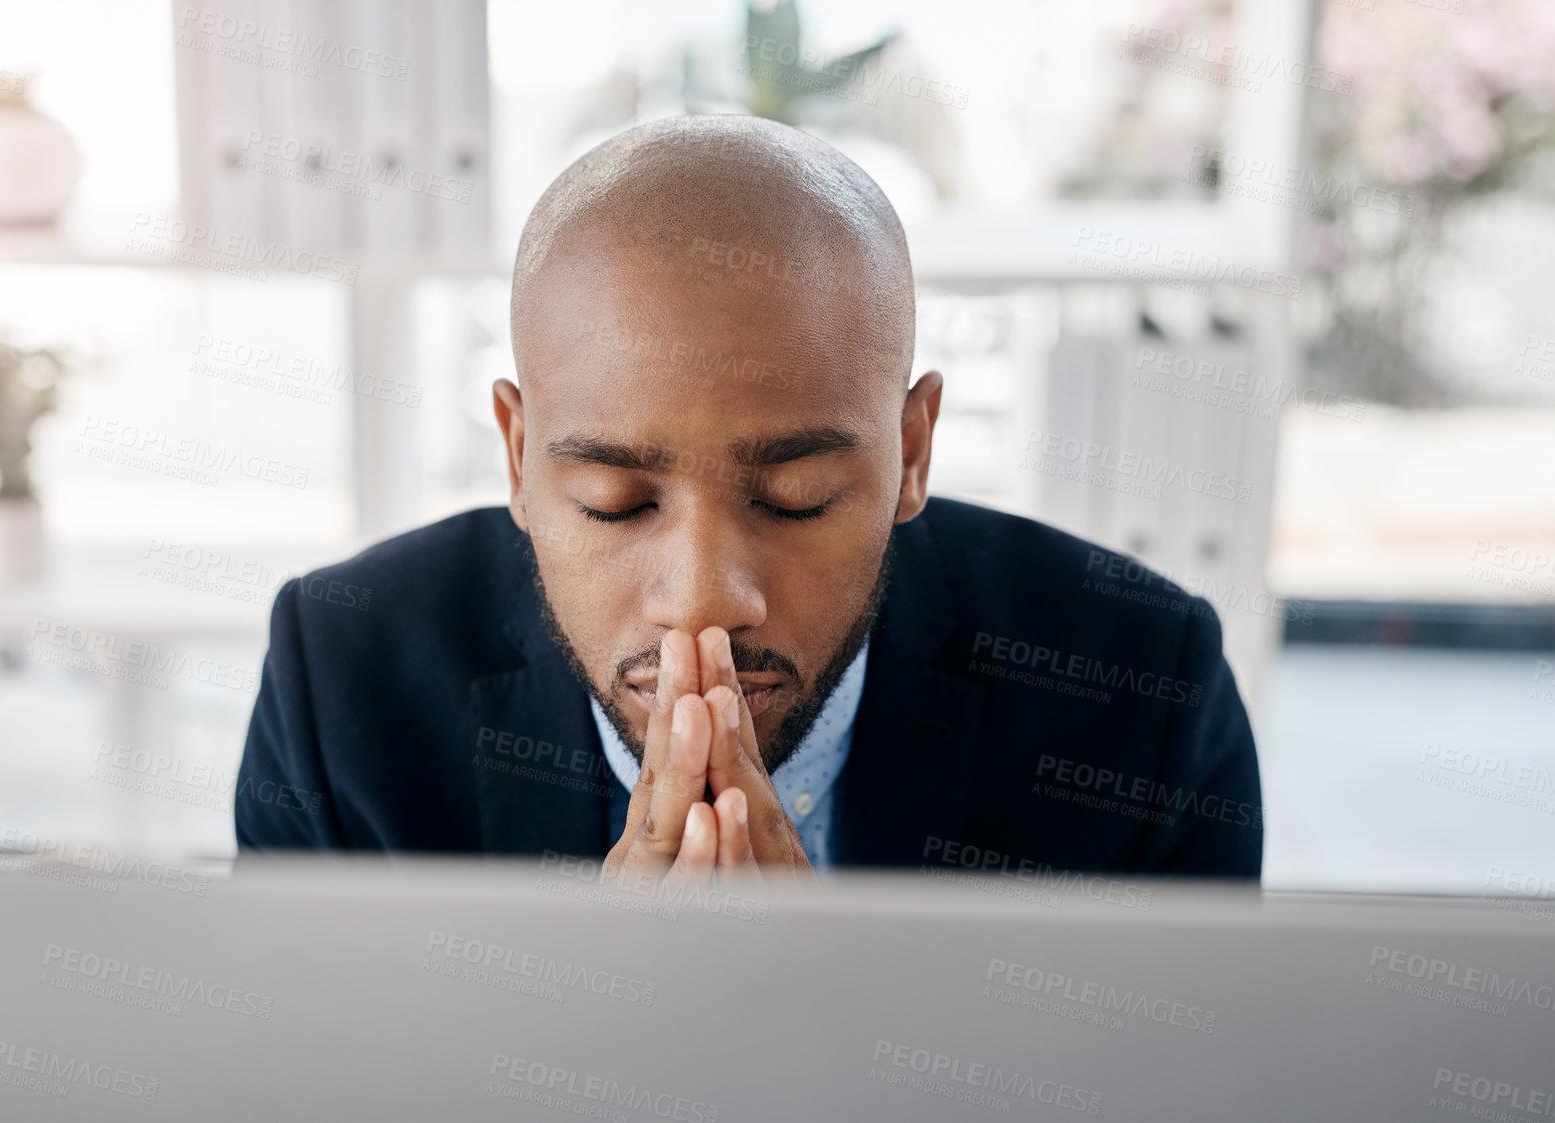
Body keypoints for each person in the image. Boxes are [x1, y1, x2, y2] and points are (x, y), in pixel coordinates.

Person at [235, 115, 1263, 883]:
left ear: (911, 452)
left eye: (797, 497)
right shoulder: (342, 679)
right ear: (515, 456)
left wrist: (819, 1032)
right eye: (611, 500)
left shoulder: (1138, 692)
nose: (699, 601)